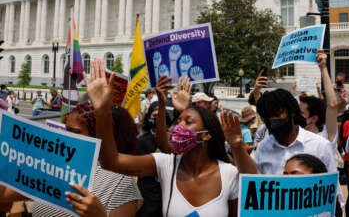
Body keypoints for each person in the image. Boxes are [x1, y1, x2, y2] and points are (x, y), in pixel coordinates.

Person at [84, 58, 239, 217]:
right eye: (178, 121)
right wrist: (102, 112)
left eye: (188, 122)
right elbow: (111, 162)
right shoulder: (166, 164)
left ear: (207, 135)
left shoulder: (229, 174)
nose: (179, 127)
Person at [0, 102, 143, 217]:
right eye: (66, 130)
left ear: (98, 135)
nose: (67, 138)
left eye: (74, 132)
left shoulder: (122, 183)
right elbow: (4, 196)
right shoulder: (54, 167)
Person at [136, 101, 163, 217]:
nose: (158, 120)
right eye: (155, 116)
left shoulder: (173, 141)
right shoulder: (141, 140)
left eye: (161, 116)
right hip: (148, 196)